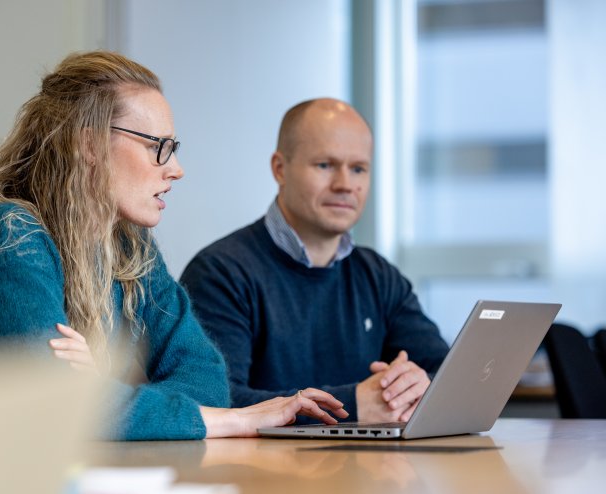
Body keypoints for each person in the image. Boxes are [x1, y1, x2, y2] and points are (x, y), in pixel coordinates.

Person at [0, 52, 348, 441]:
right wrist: (230, 421)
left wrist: (103, 393)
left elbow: (208, 380)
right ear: (90, 143)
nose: (176, 169)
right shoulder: (5, 236)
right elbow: (57, 410)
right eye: (159, 147)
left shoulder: (129, 248)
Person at [180, 98, 450, 424]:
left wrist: (419, 387)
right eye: (325, 165)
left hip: (368, 471)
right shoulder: (220, 272)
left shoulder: (378, 276)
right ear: (280, 169)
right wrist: (355, 404)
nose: (345, 184)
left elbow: (444, 370)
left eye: (358, 169)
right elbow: (216, 401)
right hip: (260, 472)